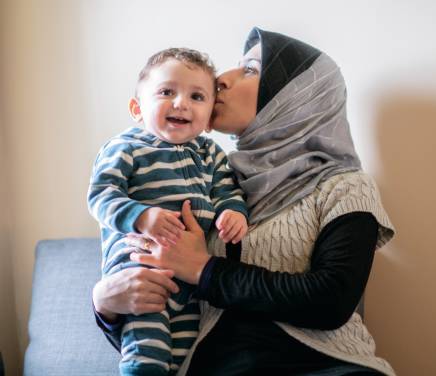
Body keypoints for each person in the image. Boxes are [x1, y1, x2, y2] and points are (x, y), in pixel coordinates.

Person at [93, 28, 396, 375]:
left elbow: (331, 302)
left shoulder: (344, 187)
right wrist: (105, 304)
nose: (222, 78)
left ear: (291, 99)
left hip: (327, 368)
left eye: (250, 70)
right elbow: (163, 327)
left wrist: (203, 270)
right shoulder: (204, 181)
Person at [87, 48, 248, 375]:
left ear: (208, 121)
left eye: (197, 96)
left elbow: (226, 190)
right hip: (139, 266)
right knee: (148, 349)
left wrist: (234, 212)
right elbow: (101, 195)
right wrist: (141, 215)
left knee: (189, 353)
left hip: (192, 280)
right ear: (137, 108)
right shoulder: (126, 146)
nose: (181, 103)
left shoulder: (211, 154)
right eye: (166, 92)